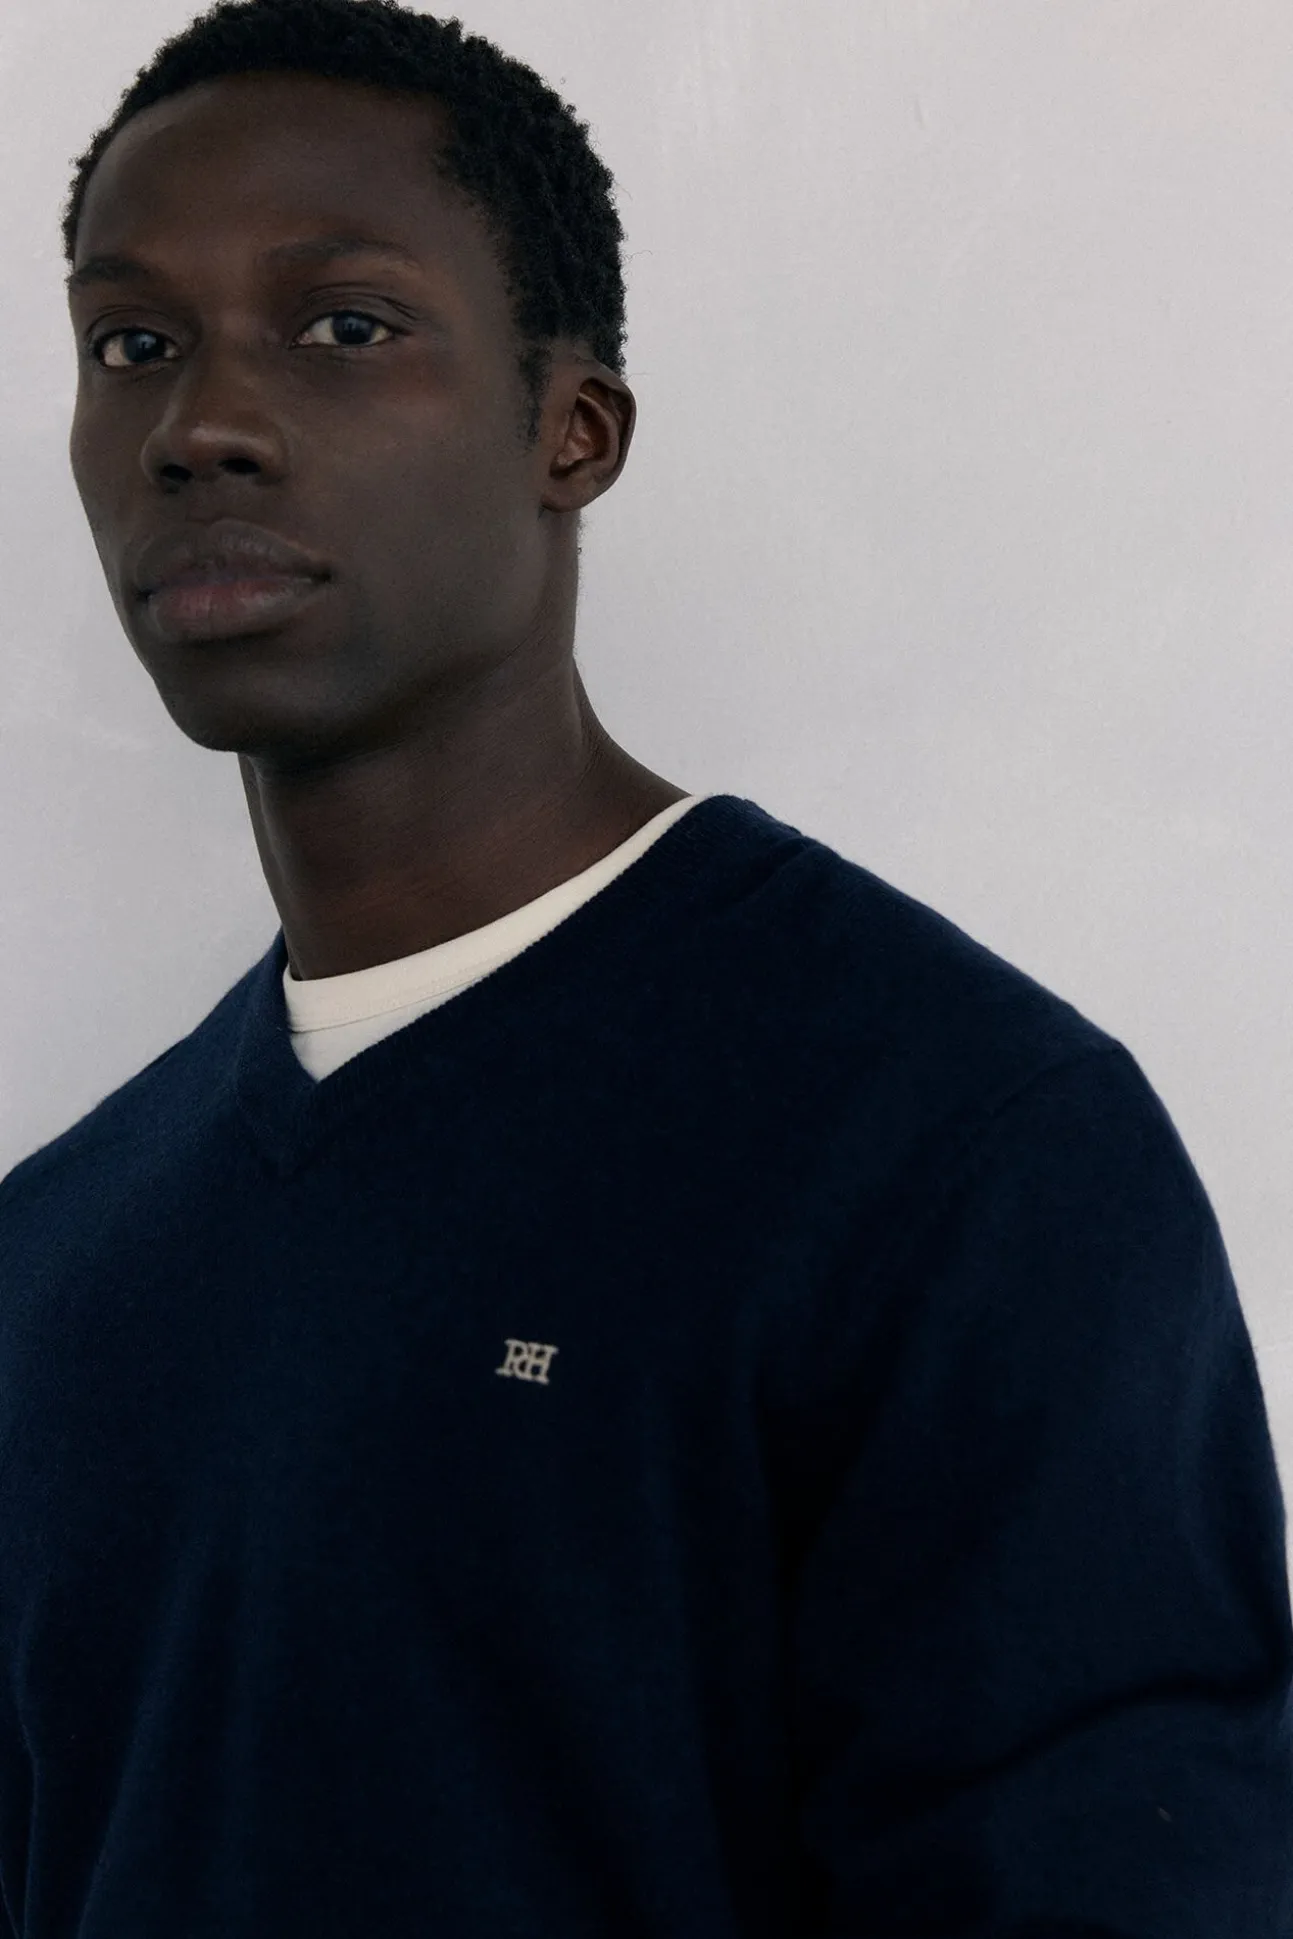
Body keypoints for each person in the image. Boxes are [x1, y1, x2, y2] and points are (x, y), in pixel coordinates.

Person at [1, 0, 1288, 1931]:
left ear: (572, 430)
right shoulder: (53, 1257)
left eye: (344, 326)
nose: (201, 427)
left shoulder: (957, 1145)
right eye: (133, 344)